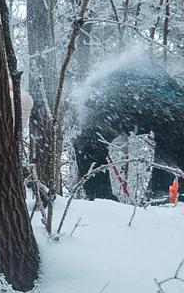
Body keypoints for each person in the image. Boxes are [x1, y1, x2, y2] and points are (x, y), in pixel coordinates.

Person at [75, 64, 184, 201]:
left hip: (148, 105)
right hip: (151, 105)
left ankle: (101, 200)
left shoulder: (106, 96)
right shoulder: (112, 93)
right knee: (88, 145)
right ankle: (103, 199)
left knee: (87, 145)